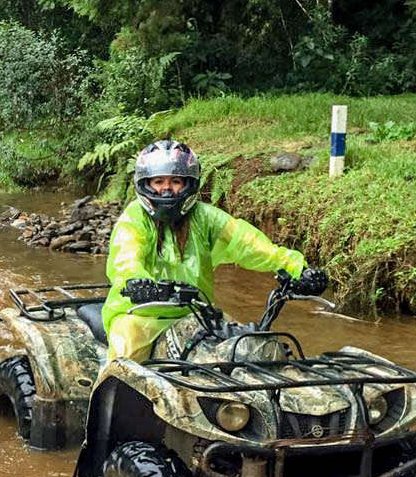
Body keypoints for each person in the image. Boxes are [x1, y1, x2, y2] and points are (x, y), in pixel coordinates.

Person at [102, 139, 327, 360]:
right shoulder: (134, 219)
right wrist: (135, 282)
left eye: (175, 181)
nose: (166, 190)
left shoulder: (205, 217)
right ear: (145, 184)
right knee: (125, 362)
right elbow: (126, 256)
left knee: (249, 346)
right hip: (139, 315)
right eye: (158, 181)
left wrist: (297, 269)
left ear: (188, 183)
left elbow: (249, 243)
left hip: (196, 313)